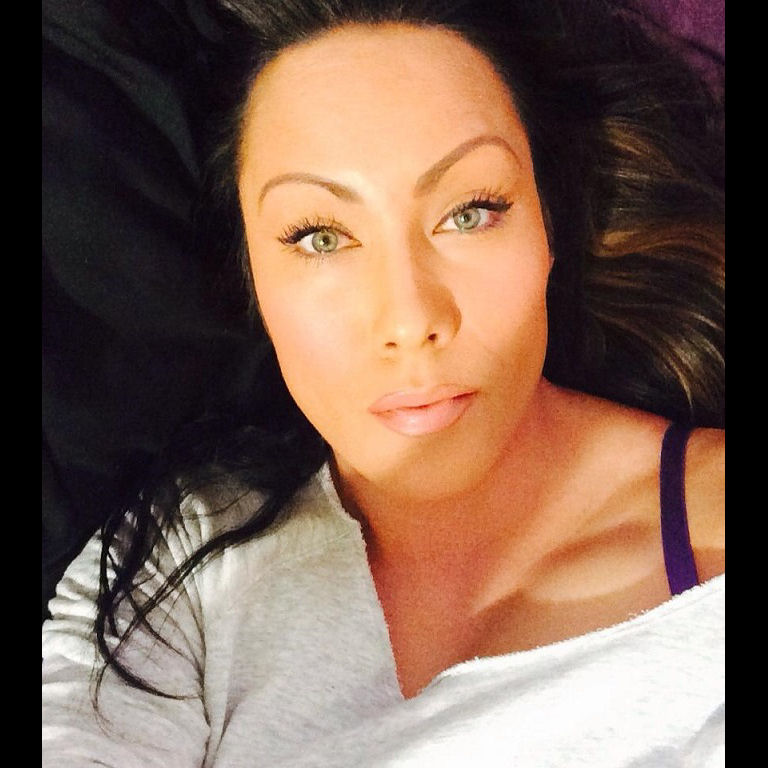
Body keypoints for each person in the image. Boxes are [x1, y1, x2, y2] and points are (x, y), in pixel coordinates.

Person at [42, 0, 725, 765]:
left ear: (550, 227)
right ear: (251, 281)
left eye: (470, 213)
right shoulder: (183, 556)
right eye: (320, 237)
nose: (409, 319)